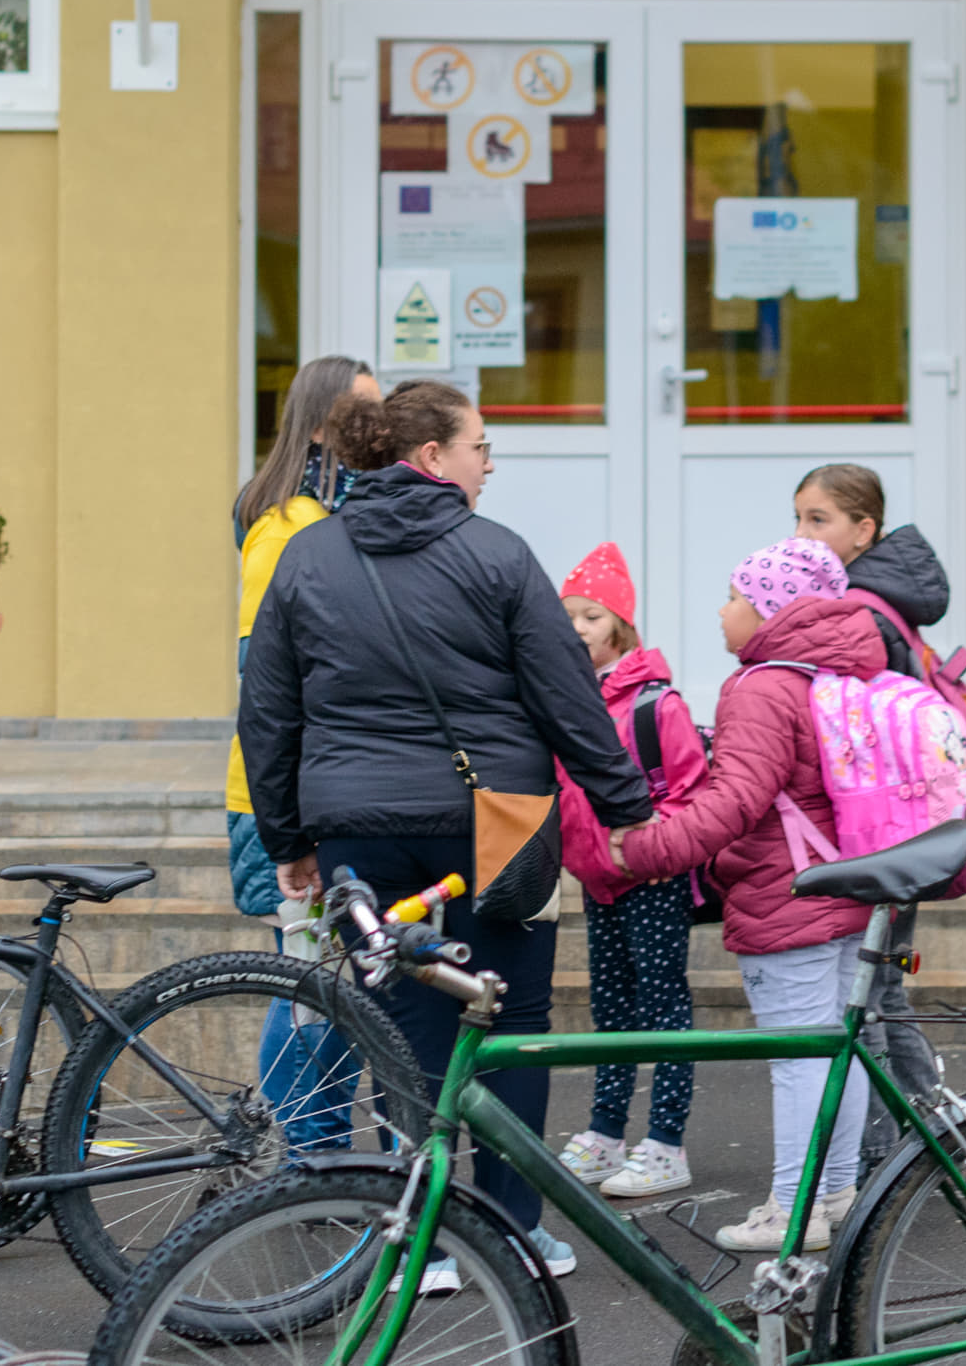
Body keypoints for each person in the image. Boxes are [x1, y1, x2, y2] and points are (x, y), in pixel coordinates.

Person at [240, 379, 654, 1278]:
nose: (490, 463)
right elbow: (567, 699)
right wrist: (629, 808)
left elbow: (268, 712)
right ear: (432, 458)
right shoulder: (498, 554)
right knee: (514, 1021)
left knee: (399, 1024)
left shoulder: (306, 559)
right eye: (480, 446)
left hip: (357, 826)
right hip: (496, 826)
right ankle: (511, 1233)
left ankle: (417, 1238)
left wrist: (289, 840)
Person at [617, 538, 884, 1254]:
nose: (722, 609)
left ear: (772, 609)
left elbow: (735, 799)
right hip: (844, 884)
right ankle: (835, 1191)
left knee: (798, 1057)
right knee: (835, 1049)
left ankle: (791, 1210)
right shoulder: (834, 671)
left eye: (735, 596)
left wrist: (646, 849)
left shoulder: (765, 685)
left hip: (786, 892)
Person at [226, 354, 376, 1153]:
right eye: (363, 412)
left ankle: (320, 1151)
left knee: (331, 980)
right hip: (287, 796)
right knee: (309, 983)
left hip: (320, 787)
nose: (379, 426)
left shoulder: (326, 517)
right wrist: (295, 819)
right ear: (320, 425)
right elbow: (266, 679)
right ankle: (311, 1155)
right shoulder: (287, 526)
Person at [790, 462, 948, 1163]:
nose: (803, 534)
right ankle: (940, 1134)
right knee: (882, 986)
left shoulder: (861, 610)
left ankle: (882, 1158)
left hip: (880, 832)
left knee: (870, 991)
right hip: (909, 827)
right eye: (798, 518)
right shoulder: (885, 600)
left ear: (865, 528)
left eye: (818, 520)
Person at [552, 542, 707, 1202]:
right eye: (569, 616)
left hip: (650, 881)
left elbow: (690, 791)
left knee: (664, 1007)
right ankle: (606, 1132)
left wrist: (640, 848)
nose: (578, 628)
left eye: (591, 615)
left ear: (620, 623)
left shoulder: (654, 705)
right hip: (596, 882)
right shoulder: (565, 699)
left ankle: (667, 1143)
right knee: (610, 1008)